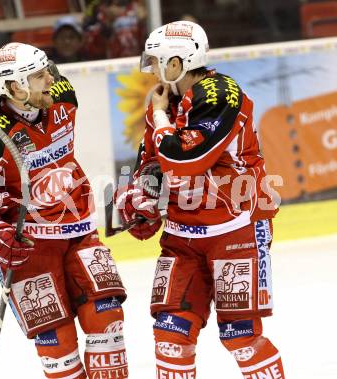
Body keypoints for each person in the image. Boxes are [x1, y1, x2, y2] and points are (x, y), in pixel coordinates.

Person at [0, 42, 128, 379]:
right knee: (57, 344)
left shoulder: (64, 97)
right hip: (28, 248)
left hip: (80, 231)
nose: (50, 80)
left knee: (107, 318)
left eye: (48, 71)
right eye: (39, 76)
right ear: (15, 86)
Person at [114, 21, 285, 378]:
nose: (152, 71)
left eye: (158, 61)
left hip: (236, 230)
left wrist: (159, 117)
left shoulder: (221, 94)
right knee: (170, 334)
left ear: (177, 62)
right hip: (183, 236)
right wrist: (141, 194)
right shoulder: (166, 101)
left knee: (241, 338)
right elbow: (152, 159)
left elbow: (184, 158)